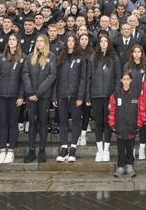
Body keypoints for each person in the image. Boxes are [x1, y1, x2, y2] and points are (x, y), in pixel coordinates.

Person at [0, 34, 25, 164]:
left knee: (12, 123)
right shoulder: (0, 58)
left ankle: (11, 151)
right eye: (9, 39)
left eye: (14, 39)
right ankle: (2, 149)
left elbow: (23, 79)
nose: (11, 41)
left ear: (18, 42)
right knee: (3, 123)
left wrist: (21, 95)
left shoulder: (23, 58)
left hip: (15, 96)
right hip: (1, 95)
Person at [86, 33, 120, 162]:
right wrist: (88, 95)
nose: (104, 43)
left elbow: (118, 77)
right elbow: (88, 77)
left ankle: (106, 149)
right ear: (99, 44)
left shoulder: (114, 58)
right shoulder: (93, 57)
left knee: (108, 123)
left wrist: (115, 95)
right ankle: (99, 149)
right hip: (96, 95)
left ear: (109, 43)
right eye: (102, 41)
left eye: (106, 41)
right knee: (98, 122)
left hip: (109, 95)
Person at [23, 34, 57, 163]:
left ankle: (42, 150)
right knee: (32, 122)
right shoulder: (30, 57)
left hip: (44, 96)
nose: (39, 43)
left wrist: (39, 92)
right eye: (38, 41)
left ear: (46, 43)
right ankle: (31, 150)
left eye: (42, 41)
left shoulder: (51, 57)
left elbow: (52, 76)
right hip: (31, 96)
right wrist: (30, 92)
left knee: (43, 122)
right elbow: (25, 74)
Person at [53, 34, 86, 162]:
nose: (71, 43)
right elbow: (56, 78)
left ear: (75, 43)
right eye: (69, 41)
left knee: (76, 121)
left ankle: (73, 148)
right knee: (62, 121)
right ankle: (64, 147)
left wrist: (80, 96)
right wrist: (54, 95)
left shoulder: (81, 57)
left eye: (73, 41)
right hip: (62, 95)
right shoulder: (60, 57)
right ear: (66, 43)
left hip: (75, 95)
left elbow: (83, 79)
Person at [108, 71, 146, 177]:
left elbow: (141, 110)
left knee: (130, 147)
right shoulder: (116, 94)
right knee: (120, 148)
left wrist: (139, 124)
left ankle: (130, 165)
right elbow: (112, 110)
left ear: (131, 80)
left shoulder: (136, 94)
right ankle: (120, 166)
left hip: (132, 127)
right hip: (120, 126)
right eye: (124, 79)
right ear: (121, 80)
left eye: (127, 79)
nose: (126, 81)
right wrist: (112, 124)